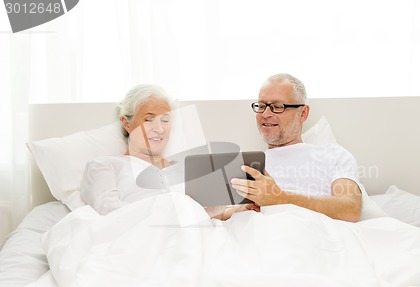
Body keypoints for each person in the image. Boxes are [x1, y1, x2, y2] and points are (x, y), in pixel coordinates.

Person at [80, 84, 246, 219]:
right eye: (149, 120)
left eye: (165, 120)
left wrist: (237, 209)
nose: (159, 129)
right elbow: (109, 214)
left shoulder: (187, 169)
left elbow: (208, 218)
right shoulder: (105, 166)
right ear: (126, 123)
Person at [230, 73, 362, 222]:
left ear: (303, 113)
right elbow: (219, 216)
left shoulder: (333, 155)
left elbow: (350, 209)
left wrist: (280, 198)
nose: (265, 114)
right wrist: (236, 211)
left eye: (277, 107)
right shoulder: (247, 166)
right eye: (261, 106)